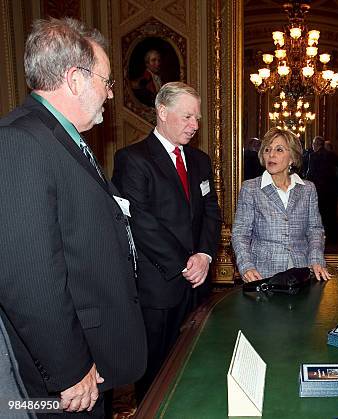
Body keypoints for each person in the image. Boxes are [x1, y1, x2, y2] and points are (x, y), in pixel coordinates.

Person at [0, 17, 146, 416]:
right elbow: (28, 276)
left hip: (93, 352)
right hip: (68, 373)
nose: (111, 94)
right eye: (107, 81)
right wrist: (70, 369)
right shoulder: (18, 142)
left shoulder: (62, 138)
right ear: (76, 79)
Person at [112, 82, 222, 402]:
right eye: (188, 117)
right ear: (162, 113)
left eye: (197, 118)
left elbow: (211, 210)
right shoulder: (132, 159)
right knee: (157, 376)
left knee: (196, 364)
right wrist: (184, 264)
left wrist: (203, 255)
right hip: (159, 287)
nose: (195, 125)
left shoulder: (200, 160)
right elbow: (140, 221)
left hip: (199, 284)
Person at [232, 127, 331, 282]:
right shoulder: (250, 188)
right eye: (267, 149)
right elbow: (240, 234)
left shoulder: (308, 189)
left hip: (302, 273)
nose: (271, 155)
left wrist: (316, 259)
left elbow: (315, 230)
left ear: (292, 157)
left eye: (279, 150)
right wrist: (246, 266)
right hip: (262, 274)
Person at [305, 136, 338, 244]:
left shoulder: (314, 156)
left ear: (316, 144)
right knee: (331, 215)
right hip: (331, 191)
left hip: (319, 190)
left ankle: (320, 238)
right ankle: (333, 238)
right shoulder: (332, 155)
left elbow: (310, 174)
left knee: (319, 214)